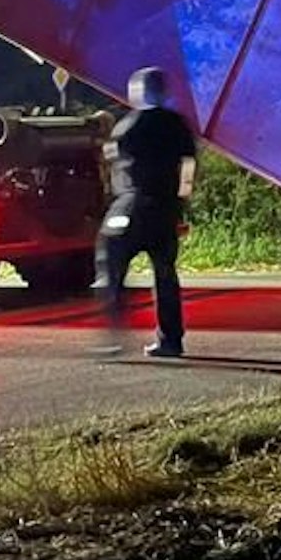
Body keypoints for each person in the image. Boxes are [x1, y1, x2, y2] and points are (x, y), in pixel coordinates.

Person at [98, 66, 197, 358]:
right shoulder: (177, 124)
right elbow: (188, 164)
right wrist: (182, 199)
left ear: (138, 92)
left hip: (132, 204)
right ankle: (171, 340)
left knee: (110, 256)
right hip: (166, 206)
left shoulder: (129, 125)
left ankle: (115, 332)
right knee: (165, 272)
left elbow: (112, 157)